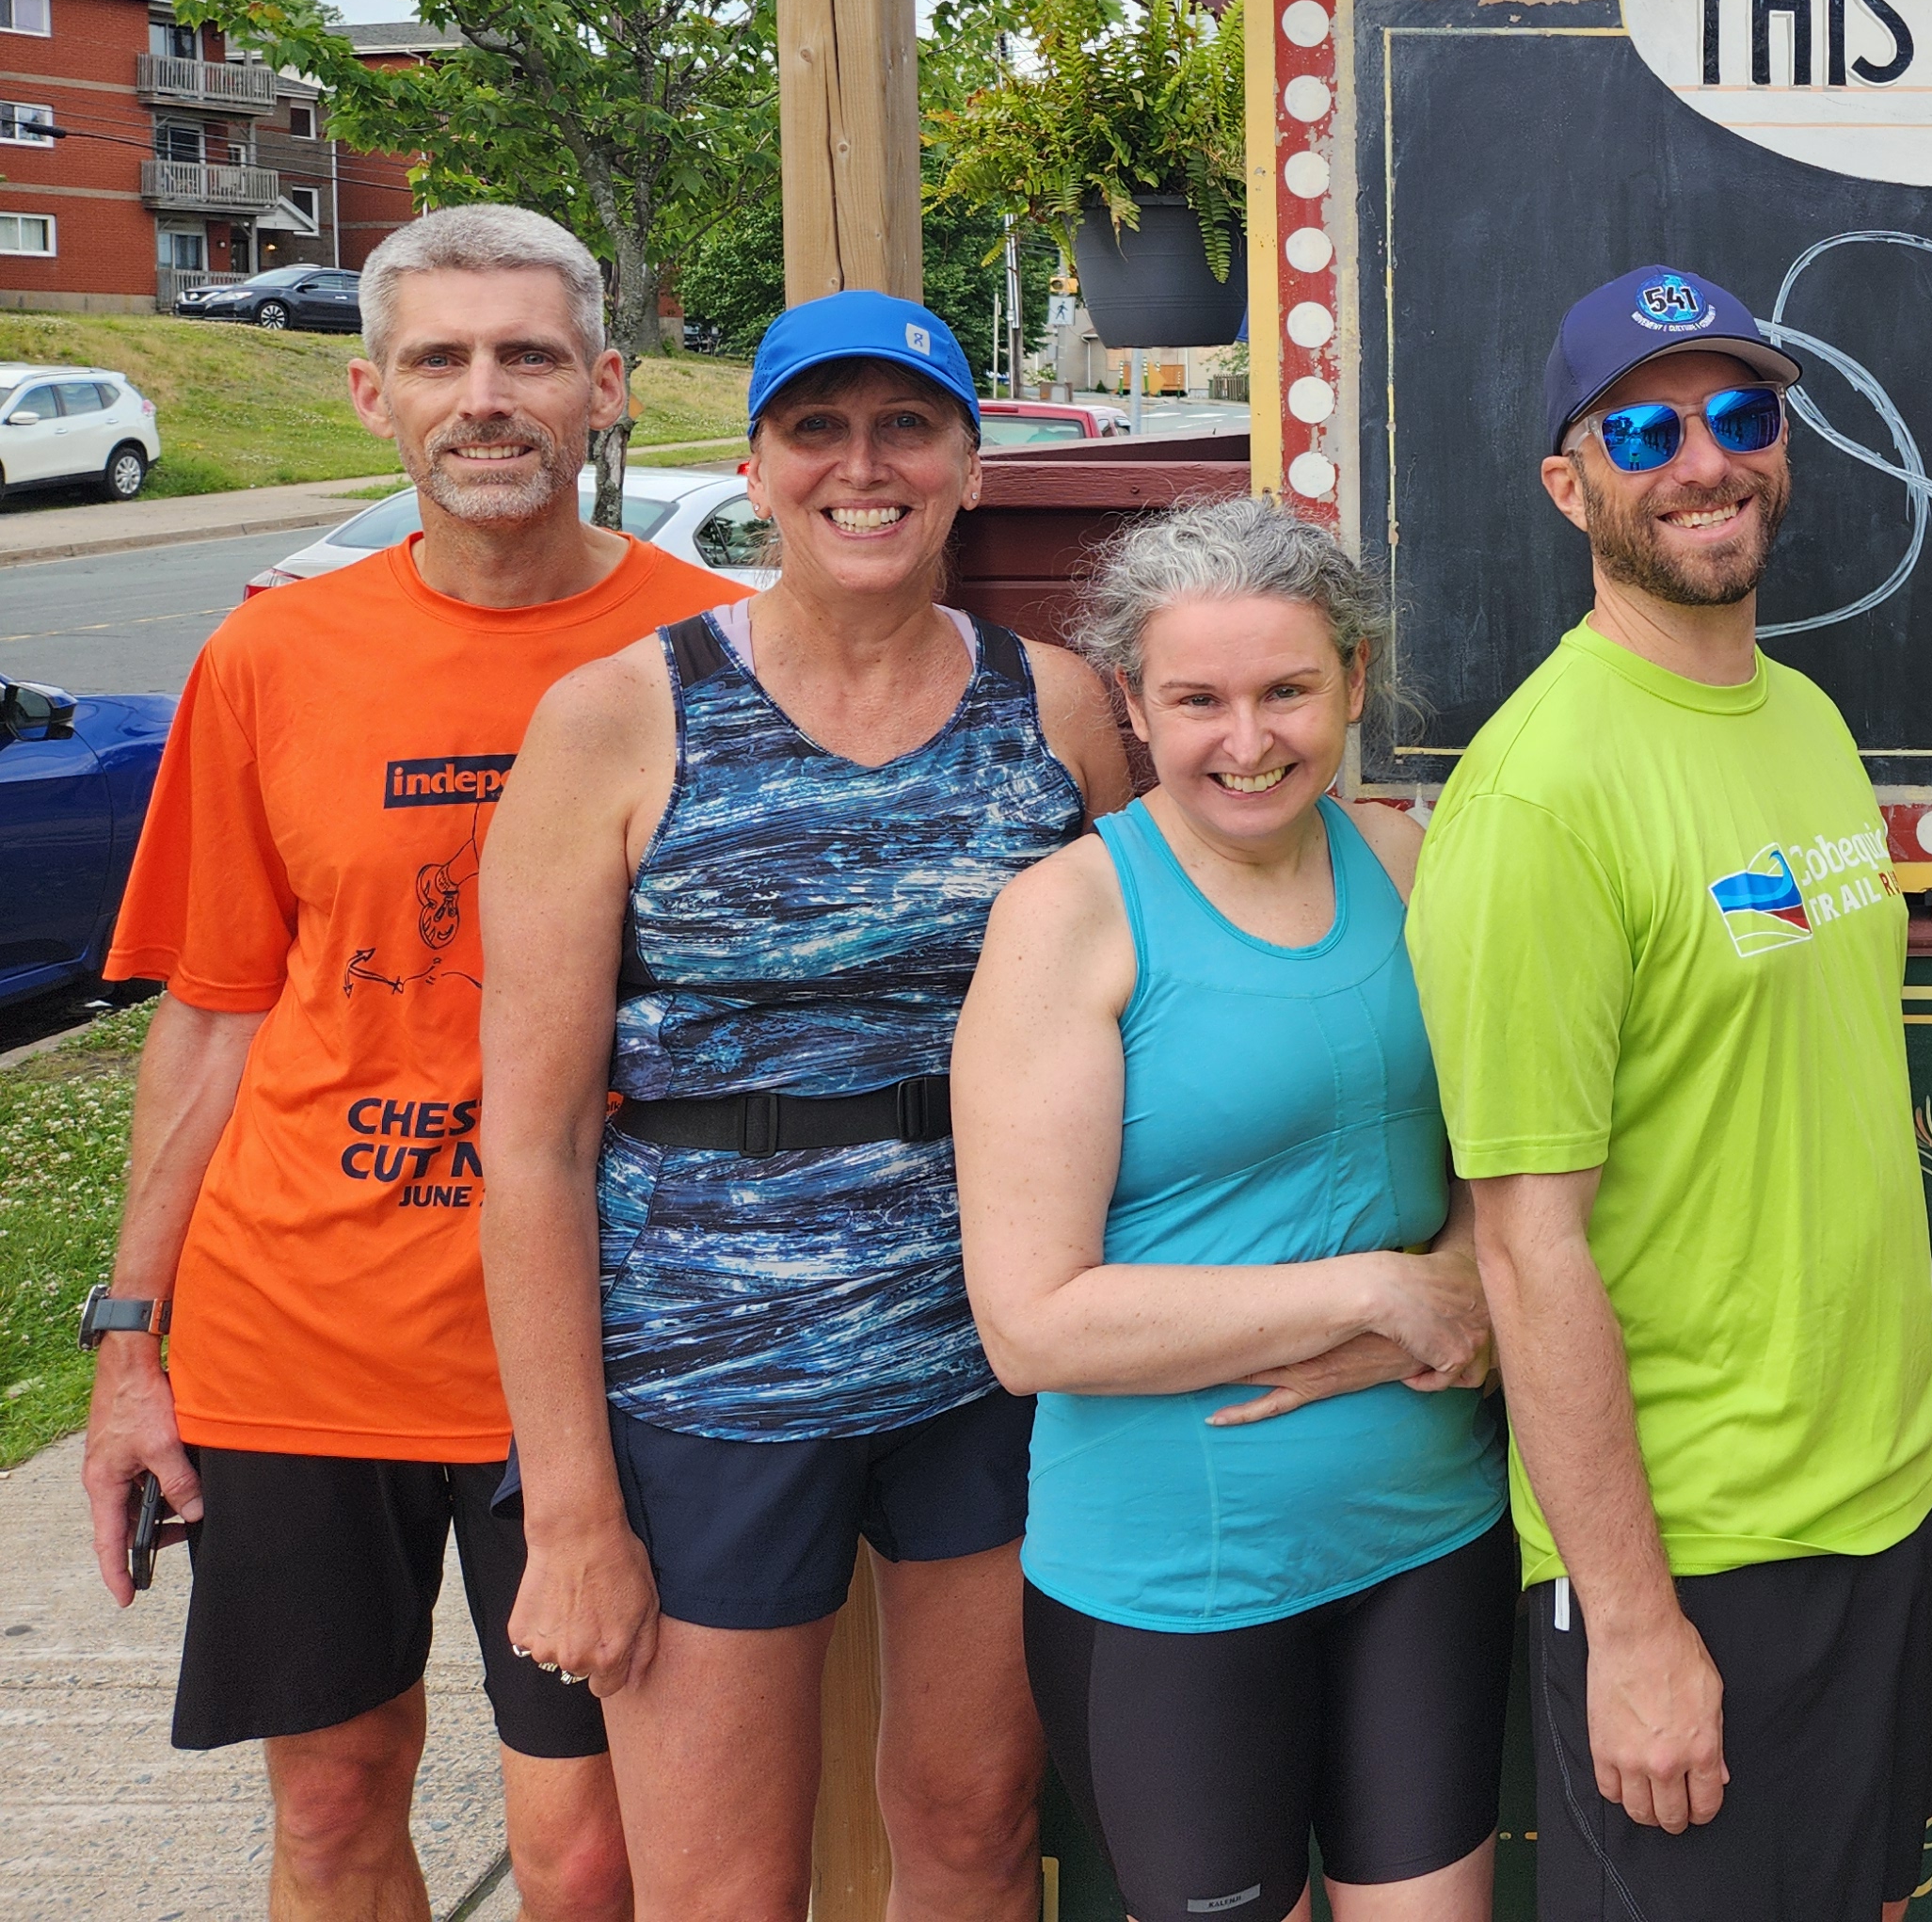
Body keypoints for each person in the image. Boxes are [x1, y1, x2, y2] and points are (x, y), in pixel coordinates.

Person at [79, 203, 736, 1922]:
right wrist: (130, 1343)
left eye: (529, 356)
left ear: (608, 385)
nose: (485, 396)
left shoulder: (721, 650)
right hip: (303, 1328)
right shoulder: (271, 658)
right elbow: (215, 1009)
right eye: (440, 359)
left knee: (588, 1852)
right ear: (373, 394)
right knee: (335, 1804)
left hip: (606, 1339)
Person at [476, 290, 1132, 1922]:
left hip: (992, 1350)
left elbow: (1144, 1031)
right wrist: (569, 1506)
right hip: (707, 1374)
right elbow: (535, 1142)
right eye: (817, 431)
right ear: (756, 469)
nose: (864, 466)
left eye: (907, 427)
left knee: (978, 1829)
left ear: (971, 466)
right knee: (721, 1886)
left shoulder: (1054, 709)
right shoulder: (622, 716)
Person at [1402, 264, 1932, 1922]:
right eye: (1644, 432)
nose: (1705, 461)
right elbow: (1529, 1247)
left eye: (1740, 416)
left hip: (1890, 1489)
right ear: (1567, 484)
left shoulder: (1806, 720)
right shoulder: (1539, 798)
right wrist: (1635, 1627)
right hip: (1701, 1545)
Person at [955, 493, 1509, 1922]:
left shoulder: (1404, 861)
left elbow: (1496, 1161)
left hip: (1428, 1532)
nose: (1247, 740)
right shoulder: (1071, 917)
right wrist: (1374, 1292)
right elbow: (1031, 1325)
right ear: (1133, 701)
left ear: (1356, 683)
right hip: (1177, 1576)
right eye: (1198, 699)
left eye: (1287, 692)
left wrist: (1464, 1273)